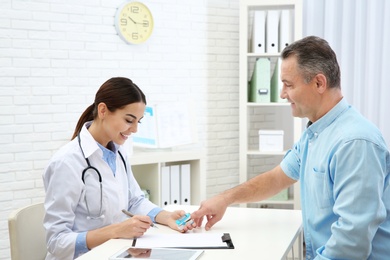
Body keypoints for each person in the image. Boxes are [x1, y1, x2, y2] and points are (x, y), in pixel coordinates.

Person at [191, 36, 390, 259]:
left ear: (319, 83)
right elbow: (277, 178)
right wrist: (225, 198)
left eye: (288, 84)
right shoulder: (315, 132)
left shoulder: (355, 143)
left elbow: (352, 241)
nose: (283, 93)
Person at [43, 77, 195, 260]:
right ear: (103, 110)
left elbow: (134, 201)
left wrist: (166, 217)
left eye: (139, 121)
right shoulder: (67, 162)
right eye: (129, 120)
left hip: (116, 252)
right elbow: (56, 241)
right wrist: (116, 231)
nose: (134, 130)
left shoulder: (118, 152)